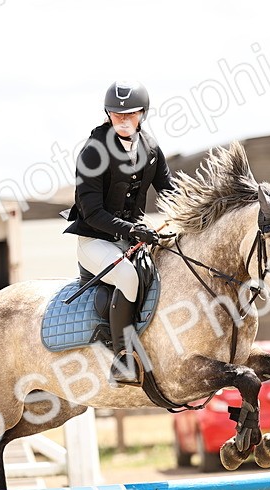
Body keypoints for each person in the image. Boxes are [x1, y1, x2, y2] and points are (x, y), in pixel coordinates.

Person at [63, 80, 176, 385]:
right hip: (95, 241)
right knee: (127, 276)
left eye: (131, 114)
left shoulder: (151, 148)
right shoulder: (92, 152)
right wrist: (134, 230)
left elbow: (169, 190)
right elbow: (91, 211)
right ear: (108, 114)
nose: (124, 120)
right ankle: (123, 359)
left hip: (131, 239)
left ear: (143, 113)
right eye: (117, 114)